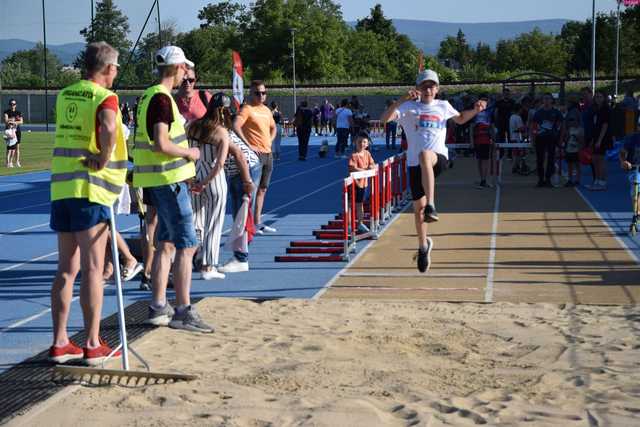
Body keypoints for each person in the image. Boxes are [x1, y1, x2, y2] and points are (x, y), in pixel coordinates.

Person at [47, 41, 128, 365]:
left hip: (62, 188)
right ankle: (92, 343)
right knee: (94, 268)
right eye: (117, 67)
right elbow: (109, 127)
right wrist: (104, 157)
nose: (117, 72)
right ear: (108, 68)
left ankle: (60, 341)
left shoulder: (67, 93)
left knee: (66, 269)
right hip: (90, 189)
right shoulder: (104, 96)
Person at [133, 45, 213, 333]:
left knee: (165, 243)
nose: (186, 77)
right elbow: (161, 143)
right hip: (168, 180)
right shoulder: (162, 99)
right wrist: (188, 154)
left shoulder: (148, 96)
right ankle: (182, 310)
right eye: (185, 71)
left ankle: (157, 305)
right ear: (178, 68)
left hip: (157, 180)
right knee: (187, 244)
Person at [381, 70, 486, 273]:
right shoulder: (408, 108)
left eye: (432, 86)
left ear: (437, 89)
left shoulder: (443, 106)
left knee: (425, 155)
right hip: (415, 165)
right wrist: (401, 99)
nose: (428, 90)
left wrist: (475, 109)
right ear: (418, 89)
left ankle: (432, 204)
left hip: (438, 158)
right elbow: (384, 119)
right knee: (417, 210)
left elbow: (462, 119)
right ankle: (423, 246)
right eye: (424, 86)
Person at [187, 92, 230, 280]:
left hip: (194, 175)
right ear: (223, 110)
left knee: (196, 220)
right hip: (214, 180)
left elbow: (186, 154)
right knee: (213, 222)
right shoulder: (221, 132)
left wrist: (193, 181)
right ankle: (208, 265)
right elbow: (220, 163)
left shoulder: (192, 126)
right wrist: (206, 182)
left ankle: (191, 256)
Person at [233, 80, 277, 235]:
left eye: (263, 93)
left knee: (263, 189)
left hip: (267, 154)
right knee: (251, 191)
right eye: (257, 93)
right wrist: (249, 146)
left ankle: (257, 222)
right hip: (254, 157)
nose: (261, 96)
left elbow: (273, 128)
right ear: (250, 93)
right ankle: (247, 225)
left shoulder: (266, 110)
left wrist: (270, 141)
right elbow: (236, 126)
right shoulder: (247, 109)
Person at [219, 106, 259, 273]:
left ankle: (241, 258)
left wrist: (247, 181)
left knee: (241, 215)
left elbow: (240, 157)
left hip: (244, 170)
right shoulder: (224, 129)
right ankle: (241, 254)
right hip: (245, 169)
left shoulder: (221, 131)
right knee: (241, 214)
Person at [531, 93, 563, 188]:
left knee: (551, 159)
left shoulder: (556, 112)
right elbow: (533, 126)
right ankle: (541, 179)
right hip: (540, 139)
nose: (547, 101)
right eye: (545, 99)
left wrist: (560, 139)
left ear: (552, 100)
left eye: (548, 99)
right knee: (540, 159)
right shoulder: (538, 113)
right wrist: (533, 138)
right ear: (542, 100)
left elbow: (561, 126)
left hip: (552, 139)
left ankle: (548, 179)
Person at [348, 131, 376, 234]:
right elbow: (352, 168)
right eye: (359, 142)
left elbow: (373, 164)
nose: (361, 144)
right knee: (350, 205)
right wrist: (365, 171)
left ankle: (360, 223)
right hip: (354, 184)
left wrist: (371, 168)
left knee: (360, 204)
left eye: (364, 142)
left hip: (363, 184)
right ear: (355, 142)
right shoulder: (354, 156)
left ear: (367, 144)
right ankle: (349, 225)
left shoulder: (367, 154)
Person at [587, 91, 613, 191]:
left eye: (600, 97)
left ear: (604, 98)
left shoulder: (606, 109)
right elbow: (595, 126)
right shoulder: (596, 109)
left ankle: (602, 182)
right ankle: (597, 180)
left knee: (600, 160)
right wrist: (594, 139)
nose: (598, 98)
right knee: (594, 159)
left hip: (603, 138)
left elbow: (605, 125)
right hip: (596, 136)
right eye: (596, 97)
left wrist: (599, 140)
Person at [470, 94, 494, 189]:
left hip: (485, 140)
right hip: (479, 140)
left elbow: (491, 127)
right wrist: (472, 141)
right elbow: (471, 127)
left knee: (482, 160)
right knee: (482, 161)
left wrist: (493, 139)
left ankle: (482, 180)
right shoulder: (475, 113)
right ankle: (483, 180)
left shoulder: (488, 113)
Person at [563, 101, 584, 187]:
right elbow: (566, 139)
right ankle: (570, 179)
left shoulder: (580, 130)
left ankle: (578, 180)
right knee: (570, 165)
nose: (572, 121)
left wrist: (580, 146)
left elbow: (582, 141)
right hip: (569, 149)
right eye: (571, 120)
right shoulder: (569, 129)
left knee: (577, 165)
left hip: (577, 150)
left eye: (574, 120)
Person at [619, 130, 640, 215]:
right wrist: (623, 162)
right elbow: (622, 153)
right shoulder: (632, 138)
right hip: (635, 169)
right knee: (635, 190)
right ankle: (637, 213)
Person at [3, 99, 24, 167]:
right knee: (9, 148)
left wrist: (14, 121)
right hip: (9, 132)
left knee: (17, 147)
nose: (13, 105)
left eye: (14, 104)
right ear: (9, 105)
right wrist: (12, 120)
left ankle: (17, 162)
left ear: (16, 105)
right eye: (11, 104)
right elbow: (6, 121)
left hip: (17, 131)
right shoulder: (7, 112)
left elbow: (21, 121)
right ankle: (8, 162)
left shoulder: (18, 112)